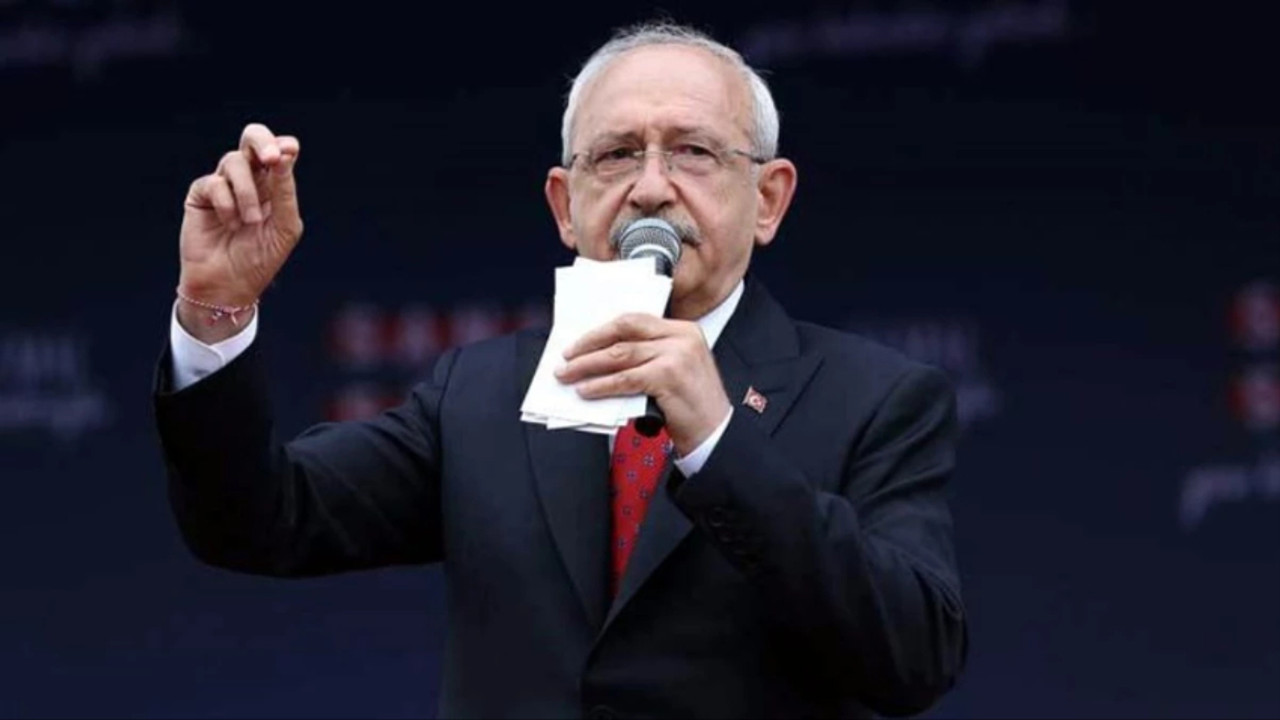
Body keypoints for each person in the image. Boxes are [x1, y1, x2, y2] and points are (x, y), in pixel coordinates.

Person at [153, 21, 968, 719]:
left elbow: (913, 655)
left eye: (692, 152)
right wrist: (215, 310)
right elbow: (257, 519)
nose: (651, 188)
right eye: (616, 155)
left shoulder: (876, 398)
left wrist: (718, 442)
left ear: (768, 199)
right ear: (564, 207)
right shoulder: (480, 392)